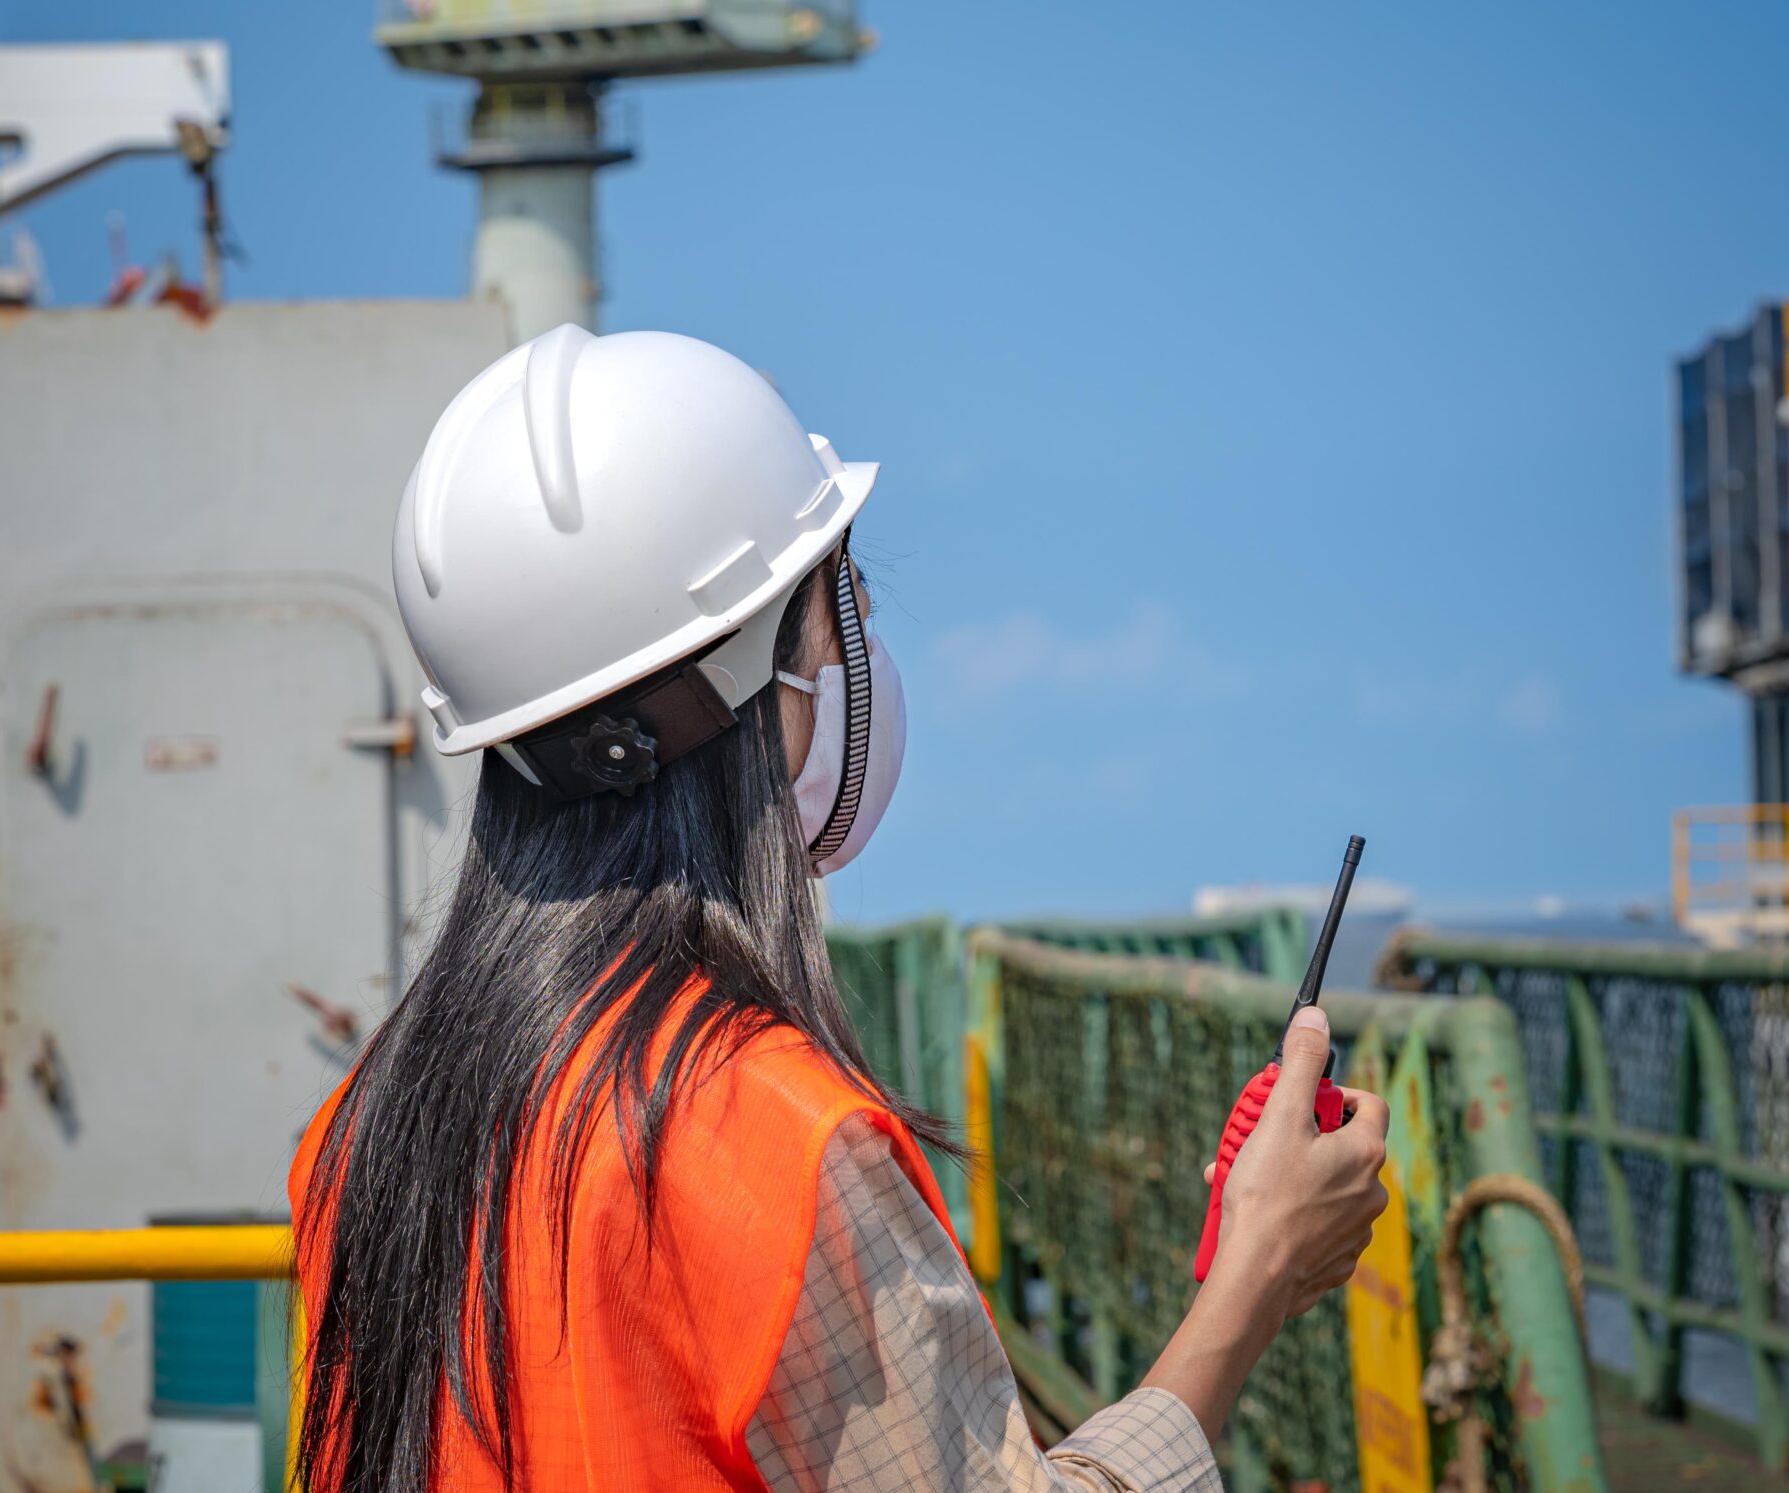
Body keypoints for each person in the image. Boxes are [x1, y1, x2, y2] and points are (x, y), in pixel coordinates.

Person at [290, 327, 1391, 1492]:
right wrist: (1258, 1268)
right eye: (841, 605)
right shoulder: (770, 1139)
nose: (860, 645)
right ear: (751, 681)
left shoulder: (362, 1132)